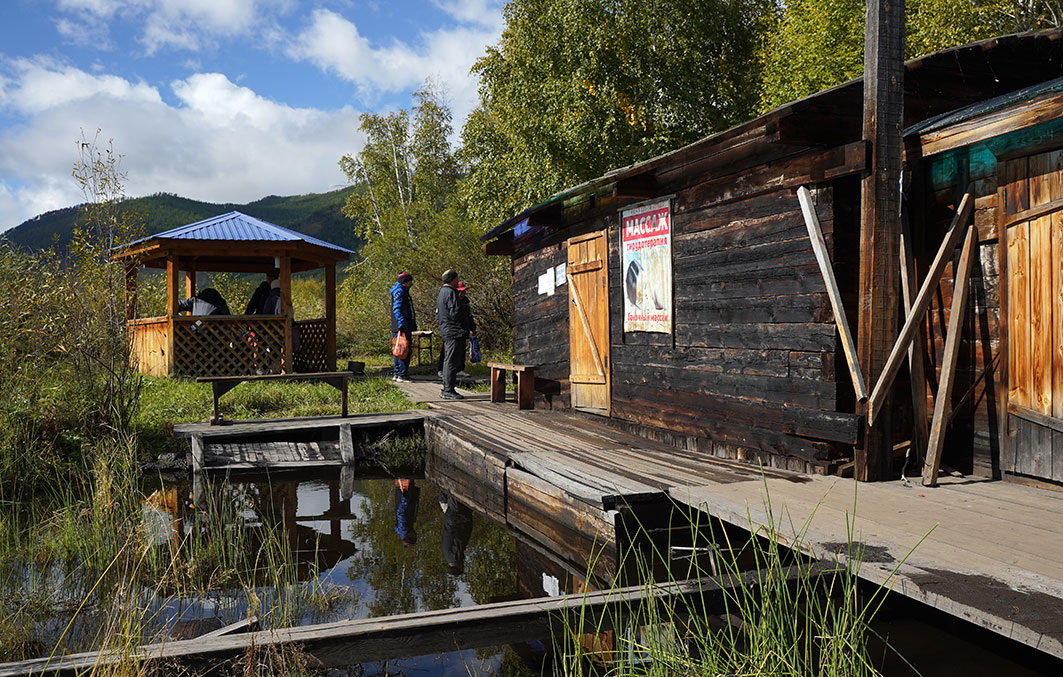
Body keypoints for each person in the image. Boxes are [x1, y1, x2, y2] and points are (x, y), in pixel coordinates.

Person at [436, 269, 466, 400]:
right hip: (453, 331)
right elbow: (455, 313)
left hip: (447, 330)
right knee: (451, 361)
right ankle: (448, 390)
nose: (458, 281)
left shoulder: (442, 293)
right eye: (457, 279)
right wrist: (464, 323)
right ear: (453, 279)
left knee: (448, 360)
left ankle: (447, 388)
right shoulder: (450, 293)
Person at [437, 281, 475, 378]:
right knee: (447, 351)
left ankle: (460, 369)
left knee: (461, 350)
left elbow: (469, 316)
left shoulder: (466, 302)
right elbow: (440, 315)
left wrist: (473, 328)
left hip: (463, 329)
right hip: (450, 330)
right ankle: (442, 370)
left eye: (464, 291)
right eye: (460, 291)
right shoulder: (449, 298)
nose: (462, 294)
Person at [390, 272, 417, 382]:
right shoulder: (400, 291)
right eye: (410, 281)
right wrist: (402, 323)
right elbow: (397, 308)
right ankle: (402, 374)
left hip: (398, 325)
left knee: (398, 348)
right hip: (402, 326)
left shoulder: (400, 291)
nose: (412, 283)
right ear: (405, 282)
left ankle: (397, 373)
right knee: (404, 349)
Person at [439, 491, 473, 575]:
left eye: (463, 567)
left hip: (457, 518)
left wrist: (467, 523)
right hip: (451, 518)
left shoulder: (455, 557)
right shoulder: (448, 556)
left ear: (458, 568)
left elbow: (460, 539)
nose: (463, 564)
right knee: (453, 494)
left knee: (458, 492)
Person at [393, 478, 420, 547]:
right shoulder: (407, 528)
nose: (416, 534)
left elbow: (400, 513)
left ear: (410, 536)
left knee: (405, 475)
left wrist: (404, 499)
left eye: (415, 536)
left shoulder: (404, 528)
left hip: (404, 490)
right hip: (406, 493)